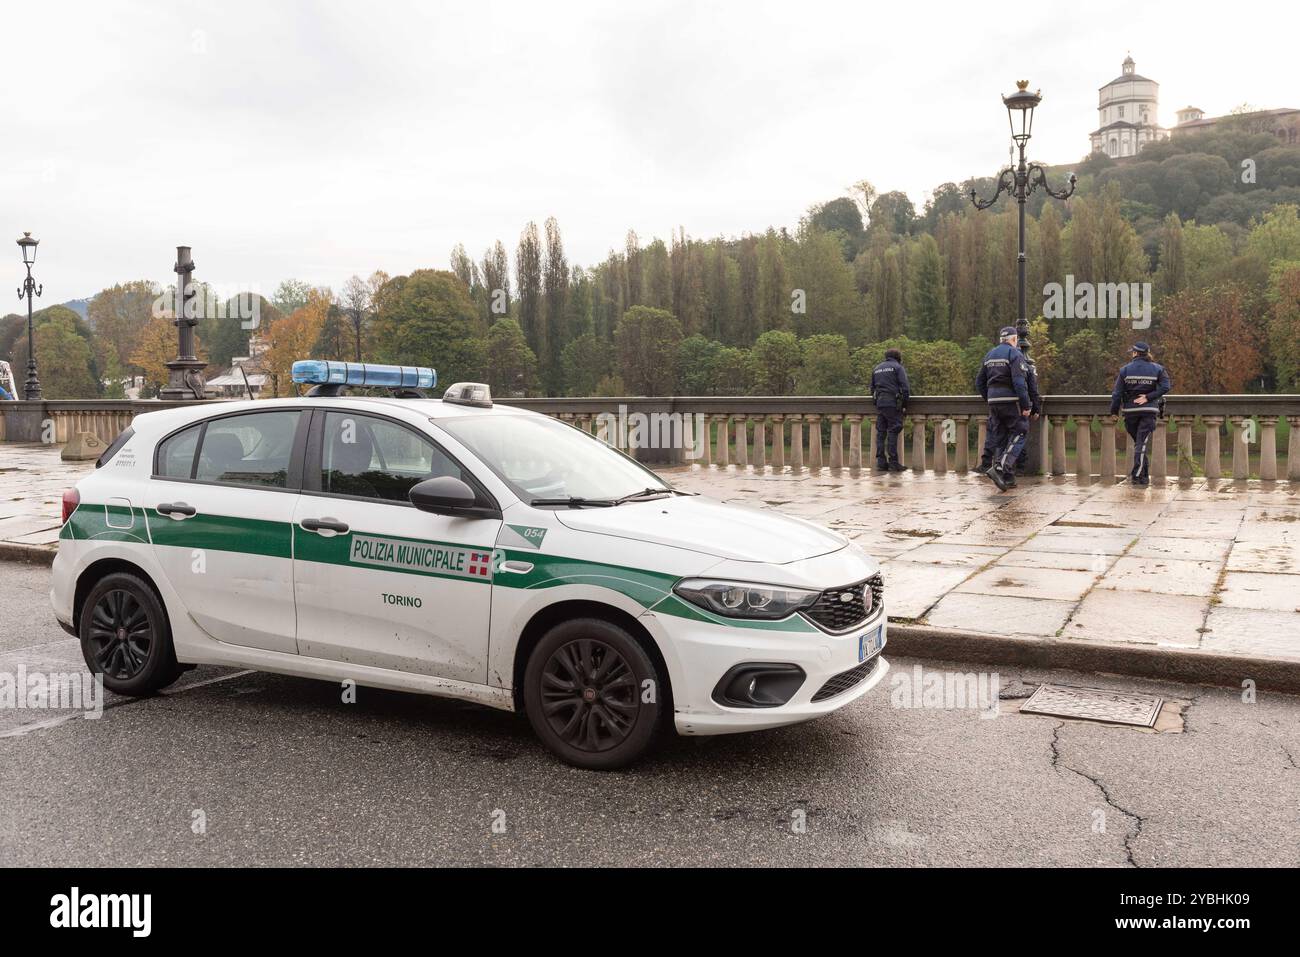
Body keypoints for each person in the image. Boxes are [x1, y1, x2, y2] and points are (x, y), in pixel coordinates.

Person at [975, 326, 1032, 492]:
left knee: (1001, 438)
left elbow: (979, 382)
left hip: (994, 402)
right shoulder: (1015, 354)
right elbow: (1019, 382)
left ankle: (1007, 479)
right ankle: (1000, 467)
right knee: (1020, 432)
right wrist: (1025, 405)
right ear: (1014, 340)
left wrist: (990, 398)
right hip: (1011, 401)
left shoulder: (989, 355)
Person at [1110, 341, 1171, 486]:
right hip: (1149, 411)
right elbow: (1166, 387)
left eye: (1132, 351)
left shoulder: (1125, 370)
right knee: (1140, 444)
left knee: (1140, 444)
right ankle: (1140, 476)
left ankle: (1139, 476)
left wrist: (1114, 411)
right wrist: (1149, 397)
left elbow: (1117, 394)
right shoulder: (1158, 369)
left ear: (1136, 353)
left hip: (1130, 412)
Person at [871, 348, 909, 471]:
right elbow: (905, 388)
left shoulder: (877, 368)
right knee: (894, 430)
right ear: (898, 357)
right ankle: (893, 462)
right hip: (892, 403)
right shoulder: (898, 367)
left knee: (881, 433)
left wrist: (877, 402)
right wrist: (904, 405)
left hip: (880, 403)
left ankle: (881, 462)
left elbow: (872, 389)